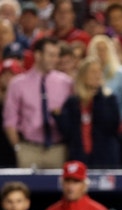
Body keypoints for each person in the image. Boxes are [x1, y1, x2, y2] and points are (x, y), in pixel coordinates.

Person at [3, 37, 72, 168]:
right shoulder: (18, 84)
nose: (55, 60)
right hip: (29, 149)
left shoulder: (66, 83)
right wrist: (18, 148)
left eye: (57, 55)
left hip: (58, 149)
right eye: (51, 55)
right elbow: (10, 120)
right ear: (38, 55)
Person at [53, 56, 121, 168]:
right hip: (79, 156)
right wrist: (59, 117)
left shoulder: (109, 99)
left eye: (99, 72)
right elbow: (67, 132)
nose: (97, 75)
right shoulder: (73, 102)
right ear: (83, 75)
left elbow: (113, 126)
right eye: (93, 72)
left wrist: (98, 98)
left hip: (105, 158)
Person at [86, 35, 122, 123]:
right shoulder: (85, 74)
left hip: (117, 121)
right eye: (97, 49)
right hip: (92, 122)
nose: (101, 53)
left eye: (104, 49)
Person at [0, 58, 23, 167]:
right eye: (4, 74)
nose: (8, 78)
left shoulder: (23, 100)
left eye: (12, 74)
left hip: (17, 150)